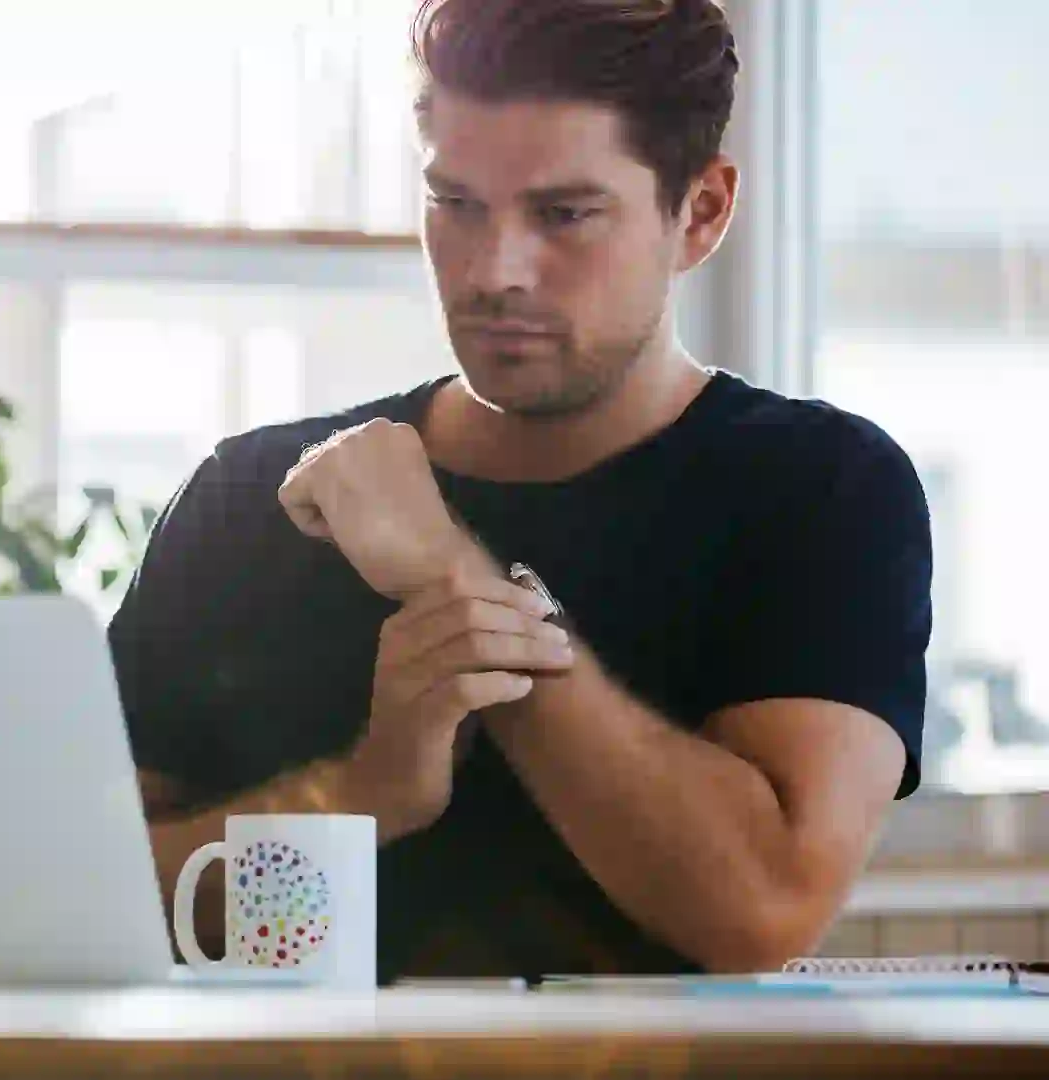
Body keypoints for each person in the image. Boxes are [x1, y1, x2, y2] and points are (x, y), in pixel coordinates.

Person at [111, 0, 931, 981]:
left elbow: (757, 912)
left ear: (701, 213)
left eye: (564, 214)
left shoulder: (818, 490)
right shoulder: (253, 500)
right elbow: (90, 901)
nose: (495, 271)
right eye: (456, 205)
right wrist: (355, 799)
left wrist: (450, 574)